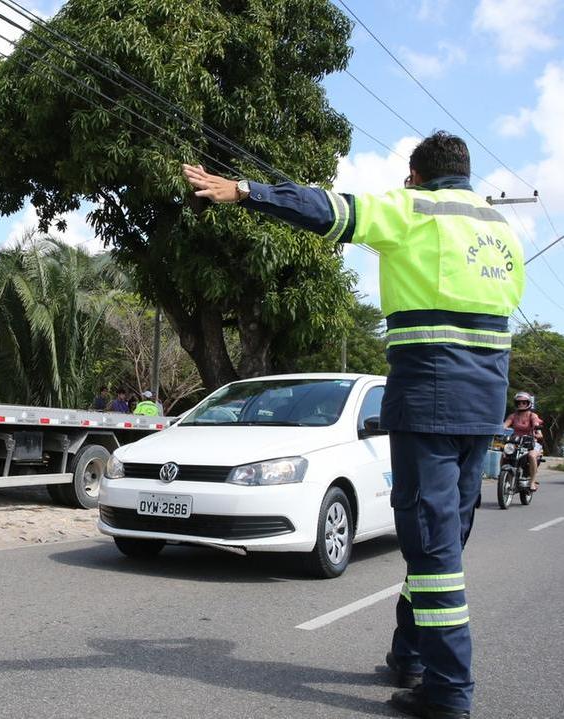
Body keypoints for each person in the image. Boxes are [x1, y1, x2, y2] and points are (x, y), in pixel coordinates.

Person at [183, 131, 524, 719]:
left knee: (435, 552)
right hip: (483, 407)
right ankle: (409, 654)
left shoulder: (415, 209)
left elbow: (324, 208)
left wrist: (244, 191)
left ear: (415, 175)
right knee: (443, 539)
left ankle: (448, 692)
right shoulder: (500, 232)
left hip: (428, 400)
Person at [503, 391, 543, 491]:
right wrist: (499, 430)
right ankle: (502, 476)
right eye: (519, 402)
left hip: (530, 442)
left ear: (528, 403)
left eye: (524, 402)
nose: (521, 404)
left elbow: (537, 428)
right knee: (504, 454)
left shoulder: (532, 416)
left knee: (531, 456)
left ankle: (532, 481)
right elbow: (505, 425)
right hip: (515, 442)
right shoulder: (513, 416)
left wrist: (537, 433)